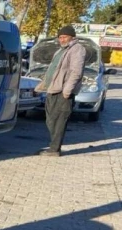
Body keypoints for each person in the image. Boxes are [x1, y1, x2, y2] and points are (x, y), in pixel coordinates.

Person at [35, 25, 86, 157]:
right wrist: (43, 84)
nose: (62, 39)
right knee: (50, 119)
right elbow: (54, 69)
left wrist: (67, 90)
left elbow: (76, 72)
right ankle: (53, 146)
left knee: (59, 121)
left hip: (63, 91)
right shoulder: (61, 50)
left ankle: (54, 149)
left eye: (64, 37)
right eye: (60, 37)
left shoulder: (77, 49)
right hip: (53, 89)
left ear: (72, 37)